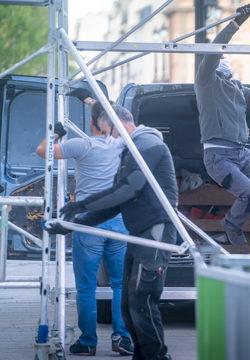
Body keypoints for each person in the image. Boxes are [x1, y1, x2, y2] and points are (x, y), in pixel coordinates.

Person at [46, 105, 177, 360]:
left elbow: (128, 189)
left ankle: (157, 356)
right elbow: (118, 200)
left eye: (111, 132)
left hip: (155, 232)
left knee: (142, 301)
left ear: (120, 123)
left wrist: (82, 204)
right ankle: (143, 355)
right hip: (139, 233)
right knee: (129, 304)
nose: (111, 139)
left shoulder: (147, 143)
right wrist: (75, 223)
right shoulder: (131, 149)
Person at [36, 100, 133, 356]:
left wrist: (55, 132)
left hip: (88, 221)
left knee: (87, 286)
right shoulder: (123, 145)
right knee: (120, 284)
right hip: (119, 222)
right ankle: (122, 338)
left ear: (91, 123)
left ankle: (88, 342)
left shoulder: (82, 145)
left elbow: (42, 150)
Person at [194, 3, 250, 255]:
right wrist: (235, 24)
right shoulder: (206, 83)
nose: (225, 61)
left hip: (243, 154)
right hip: (219, 156)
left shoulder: (236, 88)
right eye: (222, 57)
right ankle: (230, 224)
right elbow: (212, 53)